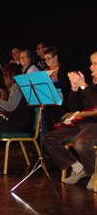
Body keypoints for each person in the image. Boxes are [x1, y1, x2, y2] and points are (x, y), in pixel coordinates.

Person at [42, 51, 97, 191]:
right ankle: (78, 168)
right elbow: (73, 107)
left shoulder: (89, 86)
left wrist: (84, 86)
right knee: (49, 138)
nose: (91, 67)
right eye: (91, 63)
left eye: (95, 64)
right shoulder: (92, 84)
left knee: (80, 142)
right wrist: (74, 88)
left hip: (95, 124)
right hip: (82, 123)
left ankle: (93, 174)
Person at [42, 46, 69, 132]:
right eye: (45, 59)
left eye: (48, 58)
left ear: (55, 57)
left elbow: (65, 86)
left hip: (59, 106)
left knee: (55, 130)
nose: (46, 61)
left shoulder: (61, 70)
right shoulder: (46, 70)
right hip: (49, 104)